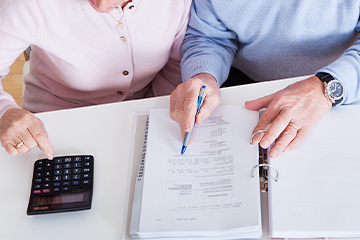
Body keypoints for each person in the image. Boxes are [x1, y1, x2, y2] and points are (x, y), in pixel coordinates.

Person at [0, 0, 192, 159]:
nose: (100, 5)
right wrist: (4, 112)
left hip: (145, 117)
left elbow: (175, 62)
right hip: (54, 127)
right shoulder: (27, 4)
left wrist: (152, 115)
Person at [170, 0, 360, 158]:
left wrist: (324, 89)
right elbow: (209, 36)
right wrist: (204, 74)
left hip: (335, 84)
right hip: (243, 83)